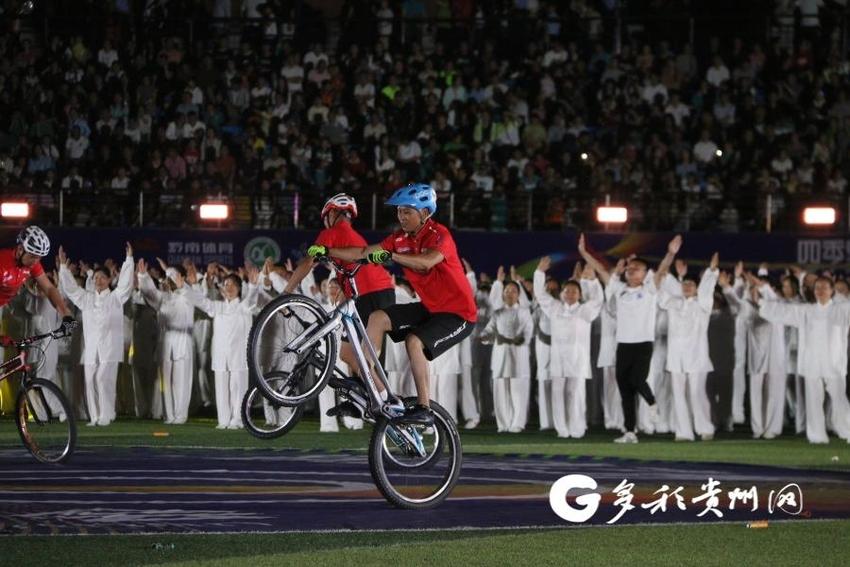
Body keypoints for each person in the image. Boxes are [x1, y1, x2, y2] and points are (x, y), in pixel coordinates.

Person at [307, 183, 477, 425]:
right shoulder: (399, 238)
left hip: (459, 314)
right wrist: (327, 250)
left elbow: (426, 263)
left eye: (407, 211)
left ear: (425, 213)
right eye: (399, 211)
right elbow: (363, 252)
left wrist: (391, 256)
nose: (401, 216)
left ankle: (425, 407)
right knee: (377, 317)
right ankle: (366, 381)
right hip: (431, 307)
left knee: (413, 341)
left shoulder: (440, 235)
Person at [284, 193, 395, 418]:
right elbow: (351, 270)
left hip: (373, 295)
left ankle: (387, 402)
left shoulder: (331, 232)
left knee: (364, 358)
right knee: (347, 354)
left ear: (331, 213)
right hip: (373, 295)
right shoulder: (350, 235)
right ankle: (366, 399)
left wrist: (286, 292)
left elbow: (308, 262)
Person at [579, 233, 682, 443]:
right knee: (625, 390)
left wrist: (670, 253)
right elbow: (599, 270)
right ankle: (629, 432)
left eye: (635, 268)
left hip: (643, 344)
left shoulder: (650, 289)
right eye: (629, 268)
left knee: (637, 380)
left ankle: (652, 403)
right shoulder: (619, 289)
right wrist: (583, 252)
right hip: (623, 344)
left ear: (645, 273)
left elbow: (662, 270)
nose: (630, 270)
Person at [759, 276, 850, 444]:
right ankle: (817, 436)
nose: (820, 291)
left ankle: (847, 430)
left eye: (824, 288)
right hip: (812, 362)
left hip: (834, 363)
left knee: (839, 399)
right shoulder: (807, 310)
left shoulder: (842, 309)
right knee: (814, 401)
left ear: (832, 291)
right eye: (818, 288)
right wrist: (763, 304)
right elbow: (783, 311)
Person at [57, 243, 134, 426]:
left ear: (108, 280)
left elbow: (125, 285)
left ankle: (106, 414)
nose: (98, 280)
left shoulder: (115, 298)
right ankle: (95, 417)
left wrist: (129, 259)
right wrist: (62, 267)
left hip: (109, 348)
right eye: (96, 277)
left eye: (102, 278)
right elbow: (71, 290)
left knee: (102, 379)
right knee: (90, 380)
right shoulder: (87, 299)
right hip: (92, 349)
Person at [533, 256, 603, 438]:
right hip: (558, 360)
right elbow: (540, 295)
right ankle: (562, 429)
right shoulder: (555, 308)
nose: (570, 294)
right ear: (562, 293)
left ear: (579, 295)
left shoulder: (585, 310)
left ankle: (577, 428)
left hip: (577, 360)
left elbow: (598, 300)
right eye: (567, 291)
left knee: (575, 395)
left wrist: (593, 280)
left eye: (574, 291)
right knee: (558, 394)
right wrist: (539, 273)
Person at [185, 264, 260, 429]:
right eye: (226, 285)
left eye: (233, 285)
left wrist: (254, 286)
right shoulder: (218, 307)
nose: (229, 287)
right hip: (220, 355)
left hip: (239, 356)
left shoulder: (244, 307)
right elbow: (201, 302)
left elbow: (252, 300)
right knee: (221, 389)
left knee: (238, 387)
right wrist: (189, 285)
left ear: (240, 288)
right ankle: (223, 420)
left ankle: (238, 419)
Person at [659, 252, 720, 441]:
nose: (687, 287)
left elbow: (707, 289)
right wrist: (677, 277)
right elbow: (661, 286)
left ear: (697, 289)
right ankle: (683, 432)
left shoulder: (703, 305)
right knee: (678, 394)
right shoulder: (673, 303)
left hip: (697, 357)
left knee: (696, 392)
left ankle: (705, 427)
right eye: (684, 284)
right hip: (676, 357)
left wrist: (711, 271)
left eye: (691, 285)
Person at [137, 259, 195, 424]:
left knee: (181, 381)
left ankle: (180, 415)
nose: (170, 281)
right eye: (168, 278)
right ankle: (169, 415)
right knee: (167, 382)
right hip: (166, 343)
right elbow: (150, 293)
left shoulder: (188, 295)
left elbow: (189, 291)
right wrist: (143, 276)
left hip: (183, 343)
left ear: (182, 278)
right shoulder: (163, 298)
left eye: (174, 277)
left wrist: (183, 283)